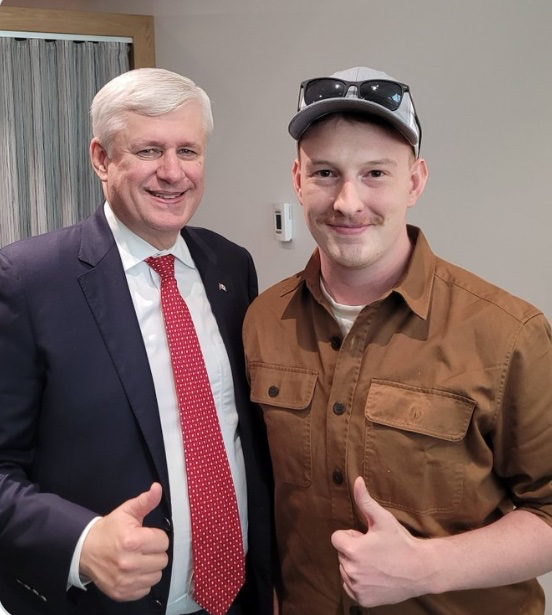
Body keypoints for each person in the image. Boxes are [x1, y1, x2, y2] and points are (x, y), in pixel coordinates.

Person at [242, 65, 552, 615]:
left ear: (416, 180)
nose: (348, 202)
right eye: (325, 174)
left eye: (376, 173)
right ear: (297, 179)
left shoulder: (508, 334)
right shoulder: (263, 319)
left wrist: (425, 568)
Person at [0, 68, 273, 615]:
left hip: (240, 597)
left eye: (188, 151)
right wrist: (80, 542)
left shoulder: (231, 266)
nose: (173, 173)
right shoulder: (28, 280)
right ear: (101, 158)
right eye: (149, 150)